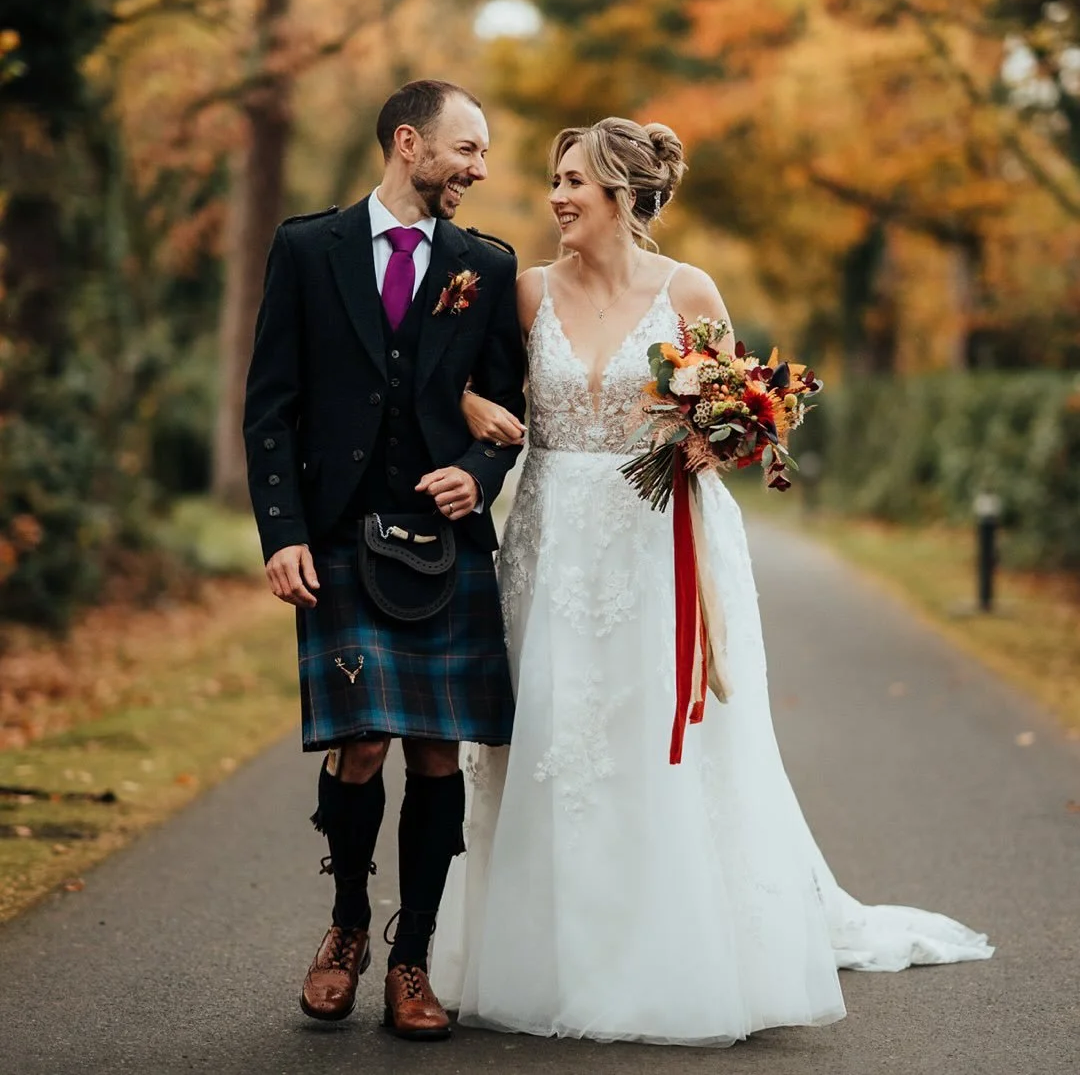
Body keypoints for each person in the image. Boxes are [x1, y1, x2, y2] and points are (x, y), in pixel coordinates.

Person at [429, 116, 993, 1046]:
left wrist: (721, 435)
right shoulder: (523, 293)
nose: (557, 197)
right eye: (555, 180)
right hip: (551, 543)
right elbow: (447, 380)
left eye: (573, 181)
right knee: (552, 736)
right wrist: (470, 403)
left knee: (656, 732)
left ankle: (670, 950)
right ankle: (538, 950)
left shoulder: (688, 289)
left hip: (662, 543)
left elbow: (741, 416)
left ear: (621, 195)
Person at [243, 79, 526, 1040]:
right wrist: (280, 532)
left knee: (438, 748)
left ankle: (415, 958)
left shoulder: (484, 265)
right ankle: (348, 928)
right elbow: (270, 405)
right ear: (409, 143)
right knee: (362, 744)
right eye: (468, 149)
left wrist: (478, 473)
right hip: (335, 539)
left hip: (442, 547)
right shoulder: (306, 248)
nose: (480, 170)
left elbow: (508, 407)